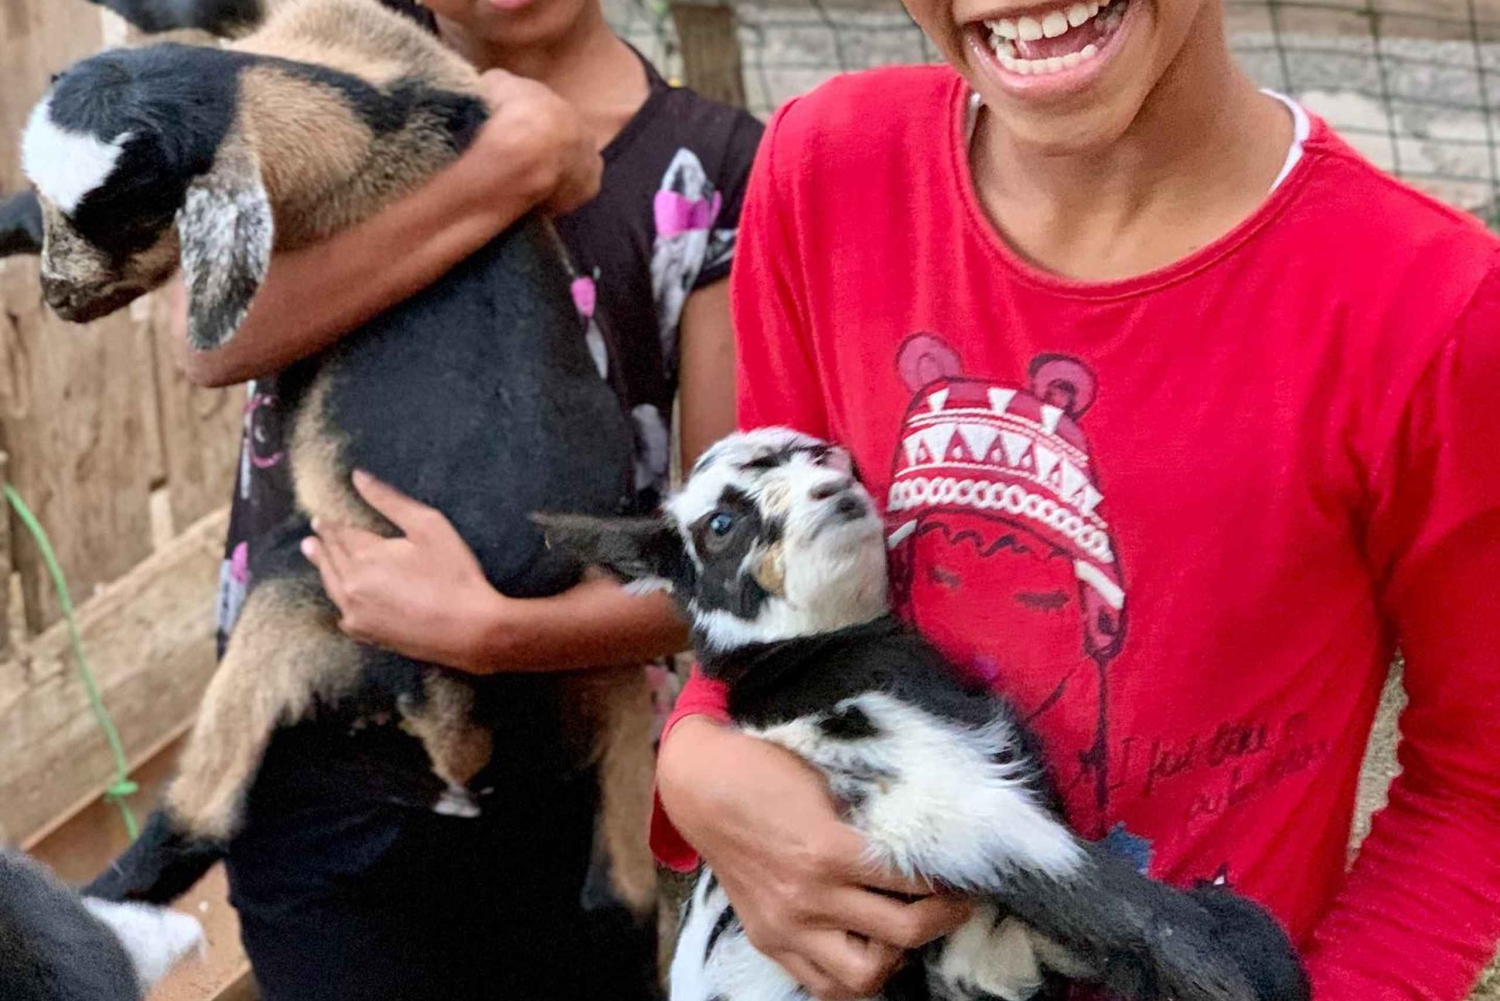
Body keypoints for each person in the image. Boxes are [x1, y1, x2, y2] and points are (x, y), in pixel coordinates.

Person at [650, 0, 1500, 999]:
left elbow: (1475, 783)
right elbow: (772, 589)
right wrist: (697, 755)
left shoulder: (1432, 307)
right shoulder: (826, 169)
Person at [177, 0, 763, 997]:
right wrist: (500, 171)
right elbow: (213, 339)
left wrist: (493, 631)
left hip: (566, 767)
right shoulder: (321, 79)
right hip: (318, 765)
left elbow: (727, 571)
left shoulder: (713, 167)